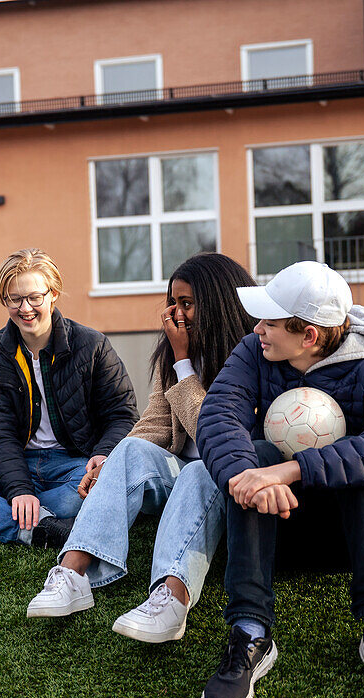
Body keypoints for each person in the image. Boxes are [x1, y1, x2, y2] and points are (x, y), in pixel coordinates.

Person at [195, 260, 364, 698]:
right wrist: (253, 479)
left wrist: (289, 472)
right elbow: (218, 418)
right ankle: (250, 634)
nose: (257, 328)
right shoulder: (252, 353)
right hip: (272, 530)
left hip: (349, 538)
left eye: (271, 322)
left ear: (309, 336)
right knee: (255, 455)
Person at [26, 253, 257, 643]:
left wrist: (184, 363)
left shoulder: (252, 353)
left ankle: (172, 598)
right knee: (129, 452)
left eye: (187, 304)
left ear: (217, 302)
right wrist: (110, 465)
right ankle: (73, 573)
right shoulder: (172, 353)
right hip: (175, 474)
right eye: (174, 303)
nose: (176, 314)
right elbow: (152, 423)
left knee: (202, 469)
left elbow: (215, 438)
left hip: (223, 475)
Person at [0, 248, 137, 548]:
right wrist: (19, 488)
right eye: (15, 299)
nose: (25, 308)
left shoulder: (92, 345)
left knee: (93, 491)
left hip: (75, 465)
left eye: (34, 297)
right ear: (5, 301)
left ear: (53, 294)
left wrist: (103, 454)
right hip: (19, 463)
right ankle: (40, 527)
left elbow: (123, 414)